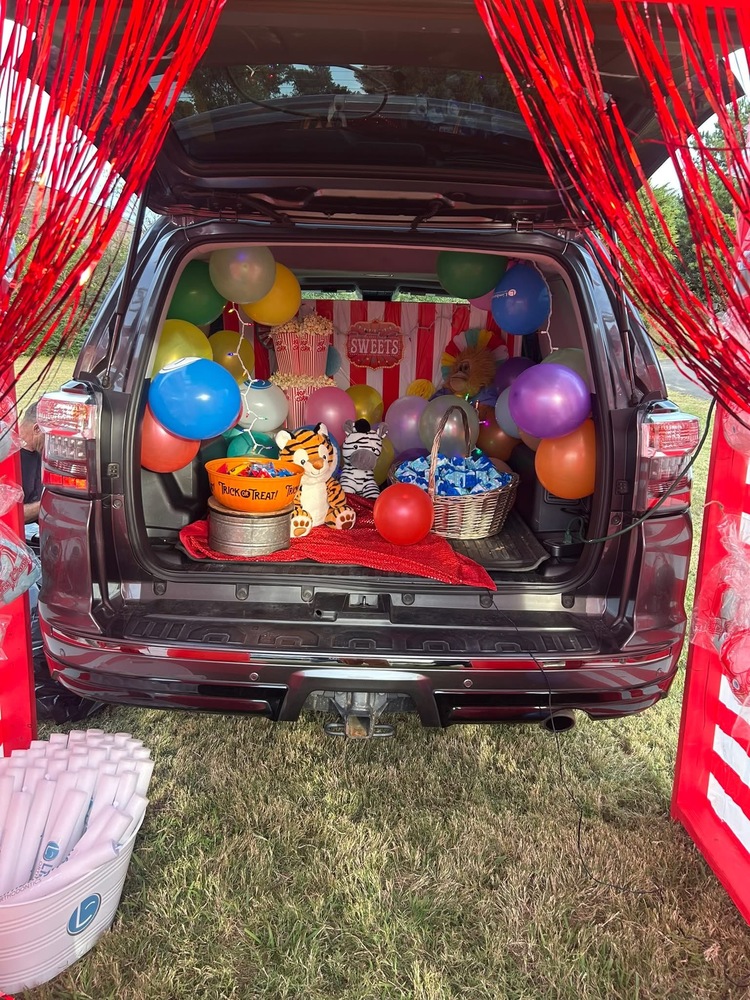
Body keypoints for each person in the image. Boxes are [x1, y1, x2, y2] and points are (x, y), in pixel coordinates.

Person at [18, 401, 43, 531]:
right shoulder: (8, 457)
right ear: (37, 429)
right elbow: (8, 516)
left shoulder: (41, 453)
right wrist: (50, 503)